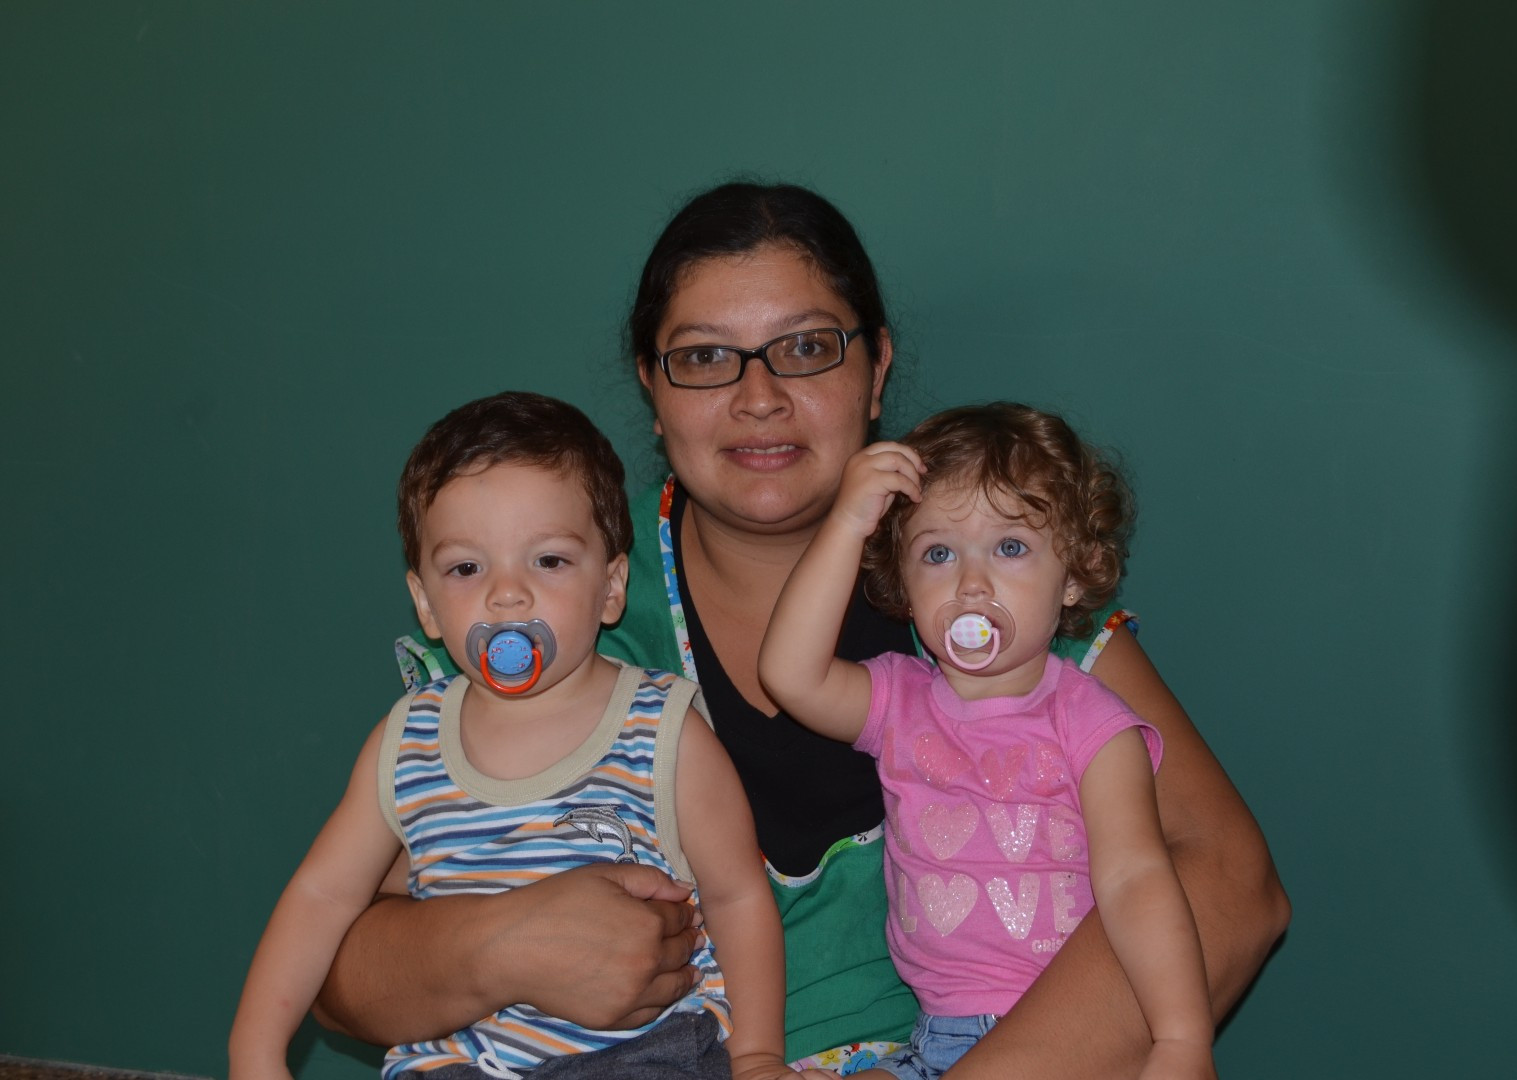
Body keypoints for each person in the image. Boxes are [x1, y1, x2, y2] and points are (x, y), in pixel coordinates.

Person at [318, 183, 1290, 1078]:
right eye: (705, 358)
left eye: (807, 347)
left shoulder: (995, 580)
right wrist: (503, 945)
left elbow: (1233, 886)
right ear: (651, 389)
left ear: (877, 369)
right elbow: (343, 971)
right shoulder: (555, 598)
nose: (759, 398)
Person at [231, 392, 822, 1080]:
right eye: (466, 568)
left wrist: (756, 1056)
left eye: (548, 561)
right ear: (424, 602)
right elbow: (322, 896)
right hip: (460, 1064)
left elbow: (737, 897)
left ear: (611, 586)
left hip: (640, 1055)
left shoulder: (664, 729)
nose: (506, 595)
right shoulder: (405, 743)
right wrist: (256, 1052)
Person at [759, 403, 1213, 1080]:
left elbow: (1137, 879)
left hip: (1071, 1033)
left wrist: (1180, 1039)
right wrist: (847, 524)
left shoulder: (1092, 722)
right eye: (938, 554)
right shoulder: (898, 701)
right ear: (903, 585)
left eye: (1010, 547)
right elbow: (789, 675)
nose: (971, 583)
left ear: (1076, 573)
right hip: (934, 1039)